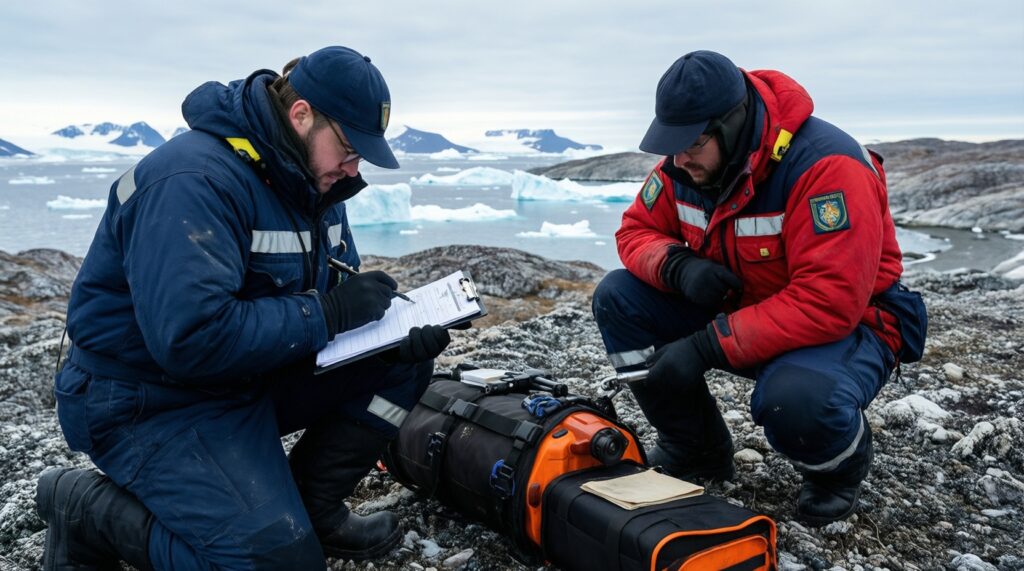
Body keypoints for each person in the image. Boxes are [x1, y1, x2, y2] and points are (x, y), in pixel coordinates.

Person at [36, 46, 455, 570]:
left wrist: (391, 332)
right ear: (301, 114)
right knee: (279, 564)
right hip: (146, 400)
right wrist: (330, 314)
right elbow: (191, 340)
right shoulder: (193, 180)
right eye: (348, 147)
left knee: (400, 364)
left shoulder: (315, 184)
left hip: (245, 375)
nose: (354, 167)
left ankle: (311, 507)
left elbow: (330, 294)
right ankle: (84, 509)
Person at [592, 50, 926, 526]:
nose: (680, 157)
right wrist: (677, 267)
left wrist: (706, 345)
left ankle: (835, 470)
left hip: (849, 327)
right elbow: (635, 231)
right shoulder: (683, 167)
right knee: (618, 297)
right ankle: (696, 449)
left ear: (732, 124)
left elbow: (829, 301)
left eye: (693, 142)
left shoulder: (827, 166)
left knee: (795, 400)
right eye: (672, 143)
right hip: (743, 310)